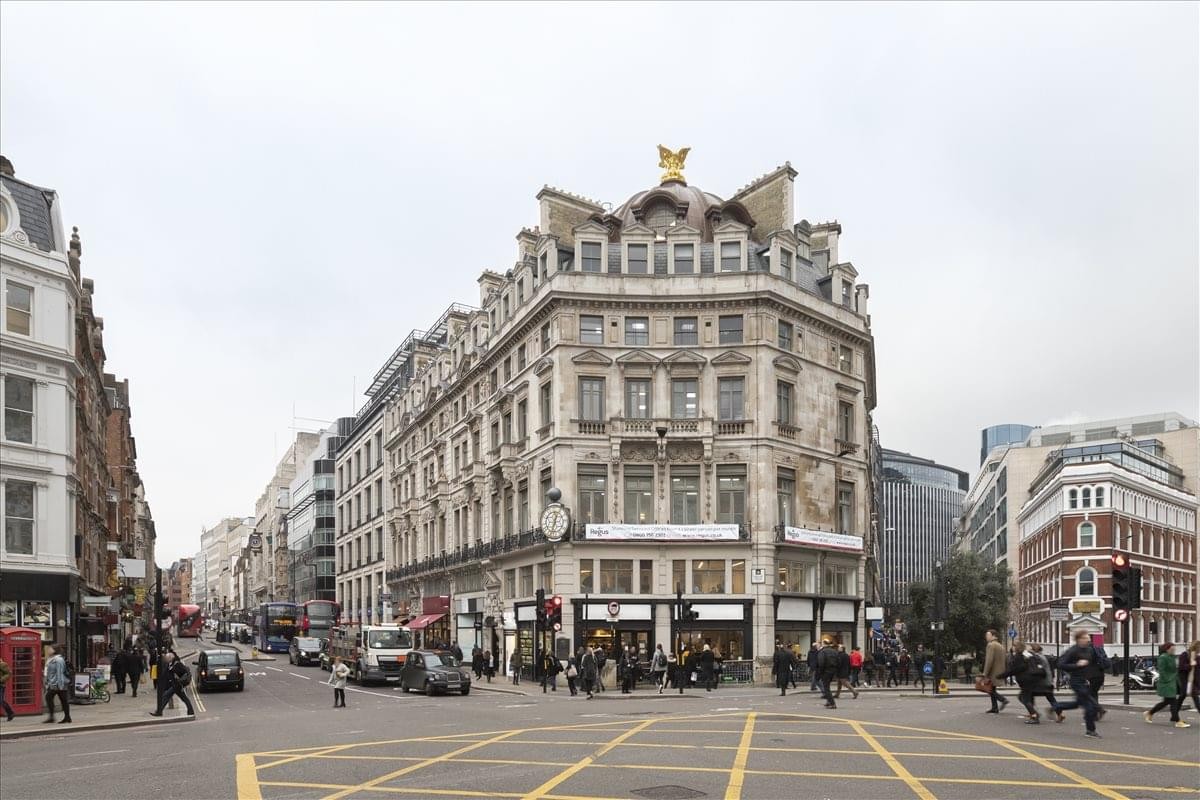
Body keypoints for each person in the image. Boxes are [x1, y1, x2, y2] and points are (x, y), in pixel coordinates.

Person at [1051, 630, 1101, 738]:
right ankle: (1090, 730)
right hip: (1076, 681)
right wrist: (1076, 665)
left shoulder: (1089, 650)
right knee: (1091, 706)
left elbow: (1094, 661)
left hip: (1084, 681)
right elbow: (1060, 664)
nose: (1087, 639)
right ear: (1078, 639)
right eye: (1085, 638)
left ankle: (1056, 706)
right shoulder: (1072, 651)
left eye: (1088, 638)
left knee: (1077, 704)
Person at [1145, 643, 1190, 728]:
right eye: (1172, 649)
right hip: (1166, 683)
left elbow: (1175, 669)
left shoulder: (1173, 657)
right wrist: (1168, 679)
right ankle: (1177, 721)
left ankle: (1150, 712)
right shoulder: (1163, 657)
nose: (1174, 650)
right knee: (1173, 701)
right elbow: (1162, 670)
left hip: (1173, 682)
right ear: (1167, 649)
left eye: (1174, 649)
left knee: (1166, 702)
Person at [149, 652, 194, 717]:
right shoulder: (170, 664)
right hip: (174, 685)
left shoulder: (177, 664)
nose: (166, 659)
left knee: (171, 697)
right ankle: (159, 711)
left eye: (167, 658)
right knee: (167, 696)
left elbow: (184, 673)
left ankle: (159, 712)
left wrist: (179, 680)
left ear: (171, 658)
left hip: (178, 685)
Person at [982, 629, 1009, 713]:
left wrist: (985, 673)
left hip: (992, 672)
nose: (986, 637)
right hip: (1000, 671)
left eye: (988, 635)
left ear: (993, 636)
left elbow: (989, 660)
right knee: (992, 689)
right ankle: (995, 708)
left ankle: (1003, 699)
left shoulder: (991, 645)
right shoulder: (1001, 646)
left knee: (990, 690)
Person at [43, 645, 71, 724]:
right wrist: (47, 682)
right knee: (59, 699)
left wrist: (60, 685)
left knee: (62, 700)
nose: (48, 650)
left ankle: (65, 717)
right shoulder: (50, 659)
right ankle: (63, 717)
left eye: (50, 649)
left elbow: (60, 672)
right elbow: (48, 672)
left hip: (59, 683)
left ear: (55, 650)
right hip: (53, 683)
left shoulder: (58, 660)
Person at [816, 638, 840, 709]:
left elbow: (821, 663)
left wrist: (820, 672)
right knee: (827, 686)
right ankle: (828, 701)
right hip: (833, 671)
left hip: (825, 671)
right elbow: (839, 661)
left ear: (824, 644)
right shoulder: (834, 651)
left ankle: (832, 703)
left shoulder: (822, 652)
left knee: (826, 688)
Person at [1183, 641, 1200, 713]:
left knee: (1196, 701)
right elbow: (1182, 667)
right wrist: (1191, 665)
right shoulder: (1187, 655)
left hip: (1196, 680)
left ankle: (1175, 715)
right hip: (1192, 680)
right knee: (1197, 701)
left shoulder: (1197, 656)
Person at [0, 655, 14, 722]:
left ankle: (10, 713)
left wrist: (1, 679)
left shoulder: (2, 664)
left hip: (0, 685)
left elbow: (9, 673)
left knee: (1, 701)